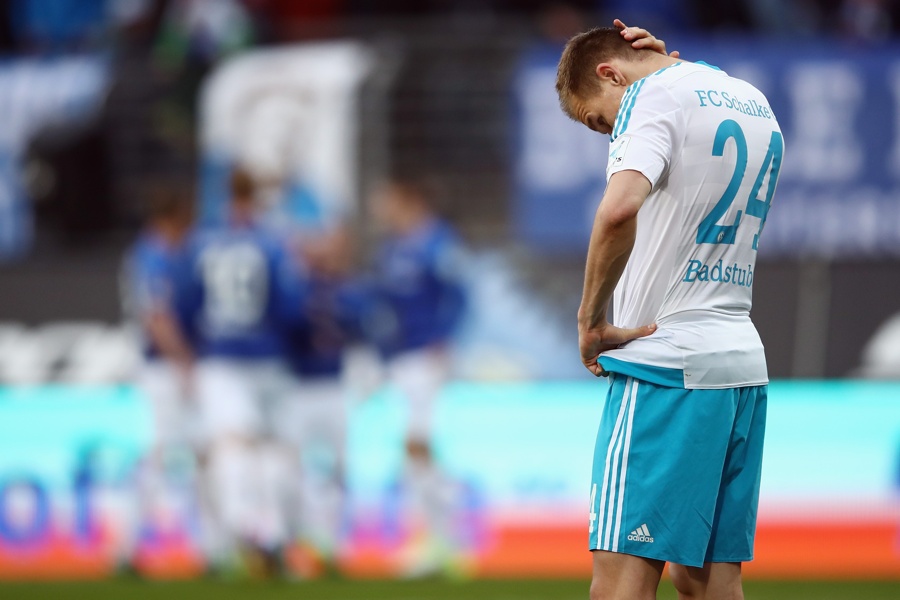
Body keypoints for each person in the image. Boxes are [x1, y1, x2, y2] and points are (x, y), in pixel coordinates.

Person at [556, 22, 783, 600]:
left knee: (620, 585)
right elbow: (692, 100)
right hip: (738, 366)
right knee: (707, 583)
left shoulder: (648, 96)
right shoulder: (750, 98)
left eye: (599, 121)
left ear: (611, 75)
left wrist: (590, 321)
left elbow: (617, 210)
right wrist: (666, 70)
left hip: (664, 367)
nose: (610, 135)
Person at [188, 167, 307, 575]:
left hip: (220, 357)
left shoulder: (201, 243)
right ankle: (272, 534)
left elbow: (185, 303)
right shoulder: (275, 244)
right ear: (255, 198)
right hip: (268, 358)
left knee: (230, 446)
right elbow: (292, 307)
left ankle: (245, 532)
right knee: (274, 449)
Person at [367, 175, 468, 576]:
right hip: (400, 358)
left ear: (407, 199)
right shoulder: (391, 248)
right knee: (413, 450)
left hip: (427, 355)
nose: (381, 210)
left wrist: (443, 339)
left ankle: (439, 535)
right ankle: (440, 534)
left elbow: (459, 295)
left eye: (387, 201)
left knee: (416, 443)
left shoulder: (437, 241)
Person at [122, 185, 198, 569]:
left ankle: (140, 542)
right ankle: (137, 543)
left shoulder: (148, 252)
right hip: (161, 368)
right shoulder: (154, 256)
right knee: (161, 454)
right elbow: (157, 318)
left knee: (169, 453)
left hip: (157, 367)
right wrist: (184, 361)